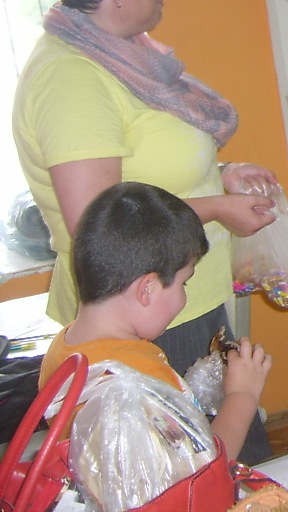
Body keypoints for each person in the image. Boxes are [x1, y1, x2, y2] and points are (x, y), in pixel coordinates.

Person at [13, 0, 277, 462]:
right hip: (144, 311)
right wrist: (215, 208)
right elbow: (101, 223)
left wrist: (220, 176)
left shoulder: (123, 57)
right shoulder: (73, 79)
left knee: (220, 459)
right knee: (203, 471)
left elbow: (145, 170)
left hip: (176, 295)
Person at [38, 181, 272, 461]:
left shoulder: (65, 347)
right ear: (147, 288)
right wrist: (242, 396)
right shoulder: (137, 381)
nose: (183, 298)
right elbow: (201, 469)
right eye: (184, 283)